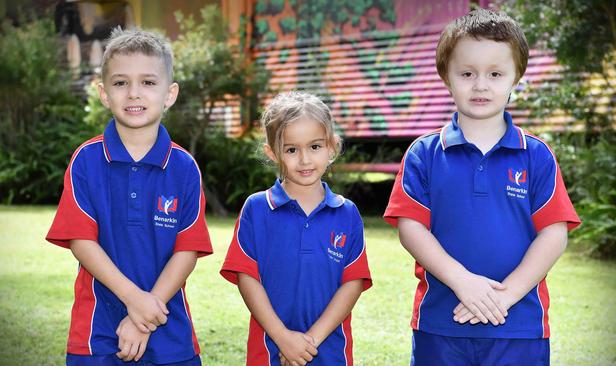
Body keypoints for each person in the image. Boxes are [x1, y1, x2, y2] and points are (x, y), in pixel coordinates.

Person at [384, 8, 581, 366]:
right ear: (446, 76)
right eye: (467, 73)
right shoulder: (424, 154)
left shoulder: (536, 155)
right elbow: (411, 227)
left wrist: (505, 297)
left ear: (515, 77)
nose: (480, 84)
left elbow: (553, 234)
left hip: (519, 325)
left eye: (495, 74)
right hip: (442, 322)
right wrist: (463, 282)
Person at [46, 27, 212, 366]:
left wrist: (146, 311)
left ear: (170, 93)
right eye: (121, 83)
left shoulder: (184, 167)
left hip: (169, 331)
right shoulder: (86, 160)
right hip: (97, 331)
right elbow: (81, 241)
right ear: (104, 93)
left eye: (149, 82)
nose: (134, 93)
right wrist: (135, 300)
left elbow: (187, 250)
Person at [220, 91, 372, 366]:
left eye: (315, 146)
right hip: (270, 352)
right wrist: (283, 337)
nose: (304, 159)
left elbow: (353, 283)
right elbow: (246, 278)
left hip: (329, 351)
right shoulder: (256, 208)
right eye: (291, 149)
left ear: (332, 147)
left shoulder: (346, 213)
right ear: (272, 152)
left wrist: (311, 340)